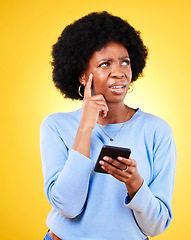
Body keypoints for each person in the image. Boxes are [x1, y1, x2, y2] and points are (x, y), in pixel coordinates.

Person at [40, 11, 176, 240]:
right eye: (105, 64)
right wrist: (85, 127)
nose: (119, 73)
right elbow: (68, 207)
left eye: (125, 62)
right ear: (83, 76)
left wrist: (135, 184)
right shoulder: (55, 126)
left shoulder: (157, 131)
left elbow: (157, 227)